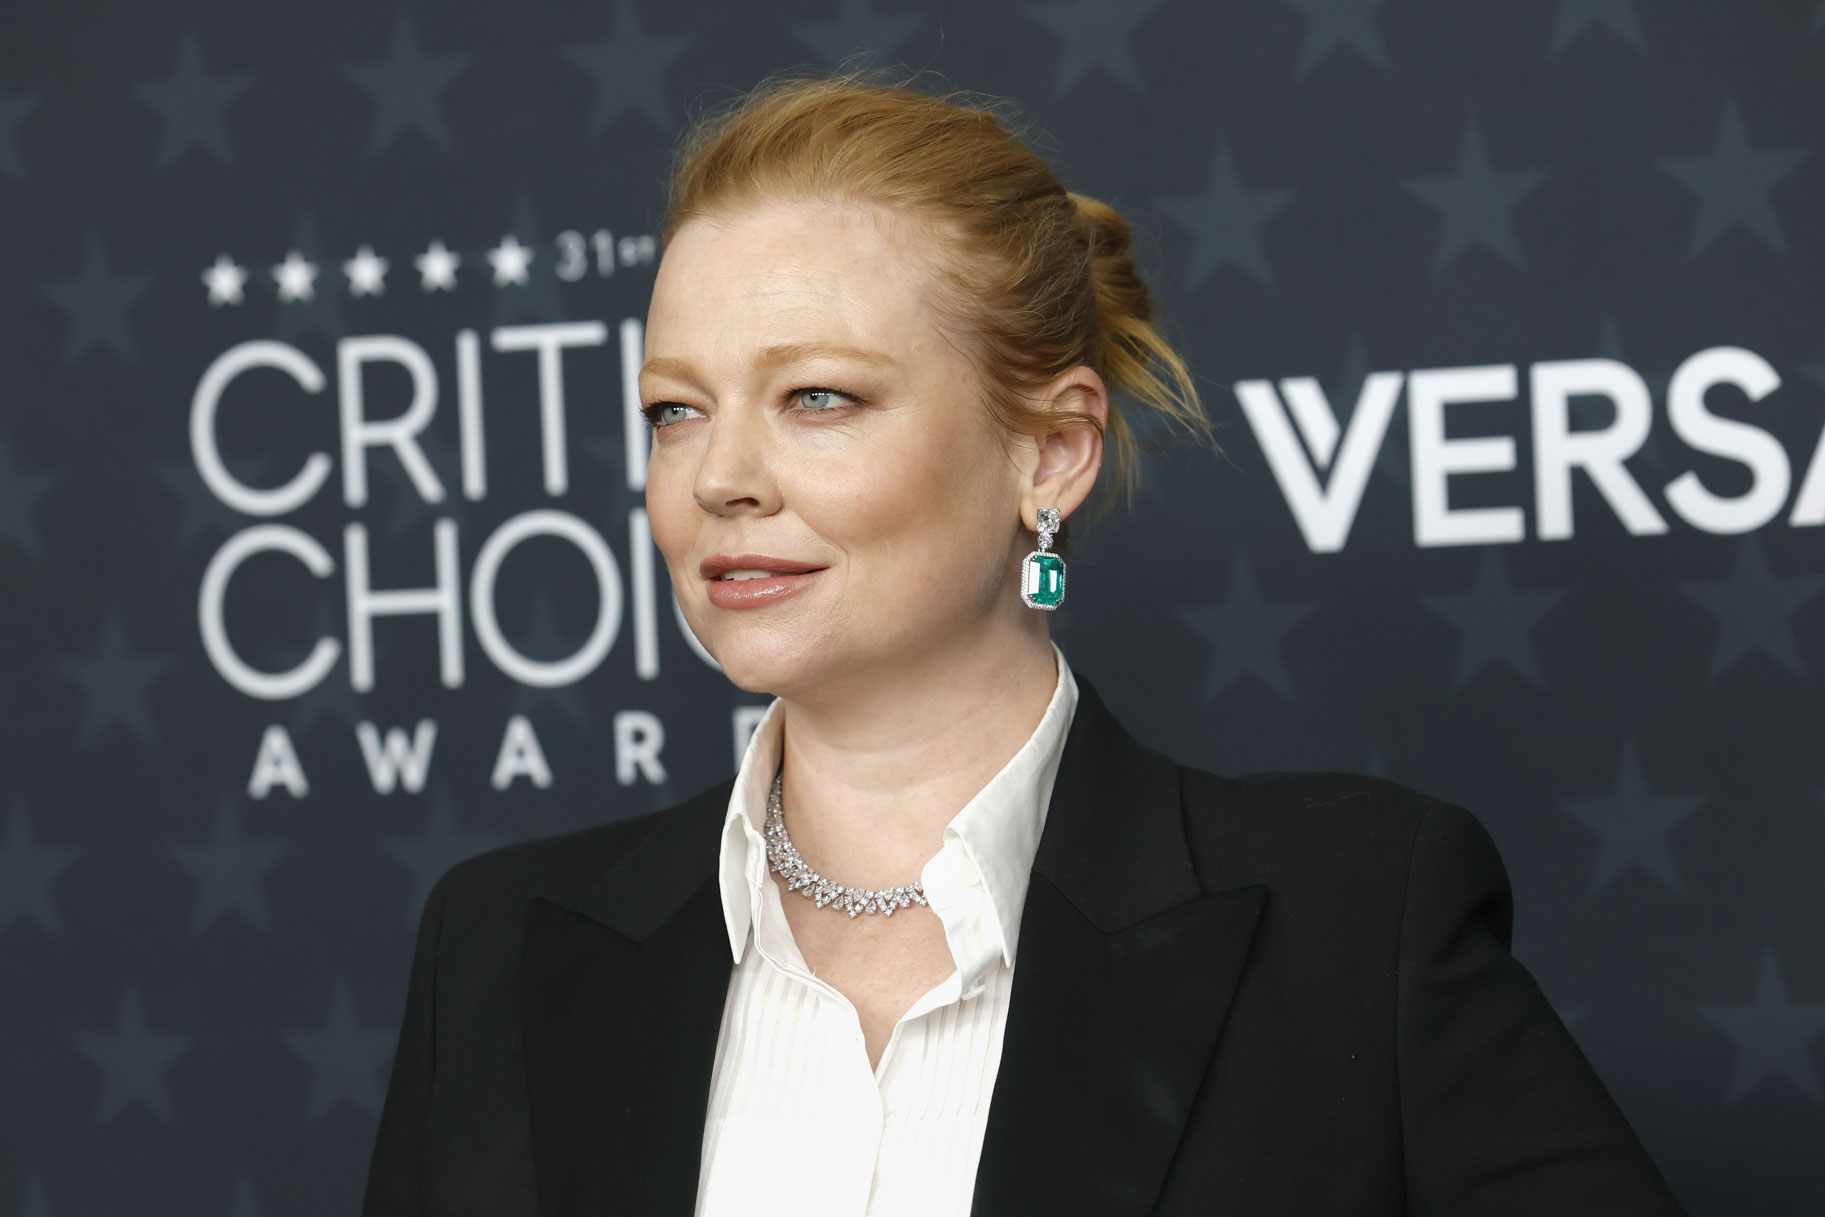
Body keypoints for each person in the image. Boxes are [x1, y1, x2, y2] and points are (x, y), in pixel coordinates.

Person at [363, 72, 1686, 1217]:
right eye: (673, 410)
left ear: (1048, 450)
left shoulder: (1349, 920)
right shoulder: (496, 946)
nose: (719, 475)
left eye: (817, 395)